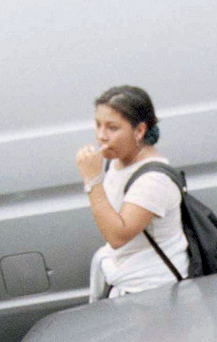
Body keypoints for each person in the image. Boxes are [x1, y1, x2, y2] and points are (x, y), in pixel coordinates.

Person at [75, 84, 189, 298]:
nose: (101, 136)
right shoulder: (116, 163)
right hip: (128, 284)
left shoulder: (154, 179)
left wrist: (92, 180)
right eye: (98, 125)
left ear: (139, 130)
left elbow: (117, 236)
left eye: (112, 128)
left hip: (154, 289)